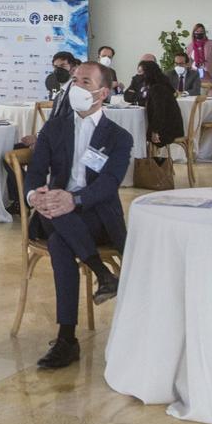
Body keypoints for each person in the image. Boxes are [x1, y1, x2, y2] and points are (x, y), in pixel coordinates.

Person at [25, 62, 132, 370]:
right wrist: (35, 196)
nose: (76, 87)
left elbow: (110, 184)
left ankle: (67, 339)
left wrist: (75, 199)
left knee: (60, 240)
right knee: (56, 220)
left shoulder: (118, 137)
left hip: (96, 216)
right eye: (74, 80)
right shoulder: (54, 127)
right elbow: (35, 173)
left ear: (103, 92)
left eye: (86, 81)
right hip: (53, 210)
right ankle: (101, 274)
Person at [187, 23, 212, 88]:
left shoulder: (210, 43)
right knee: (195, 92)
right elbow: (188, 59)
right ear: (194, 33)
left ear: (204, 33)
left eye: (201, 31)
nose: (199, 33)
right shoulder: (190, 45)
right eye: (197, 31)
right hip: (195, 71)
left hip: (207, 71)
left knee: (211, 92)